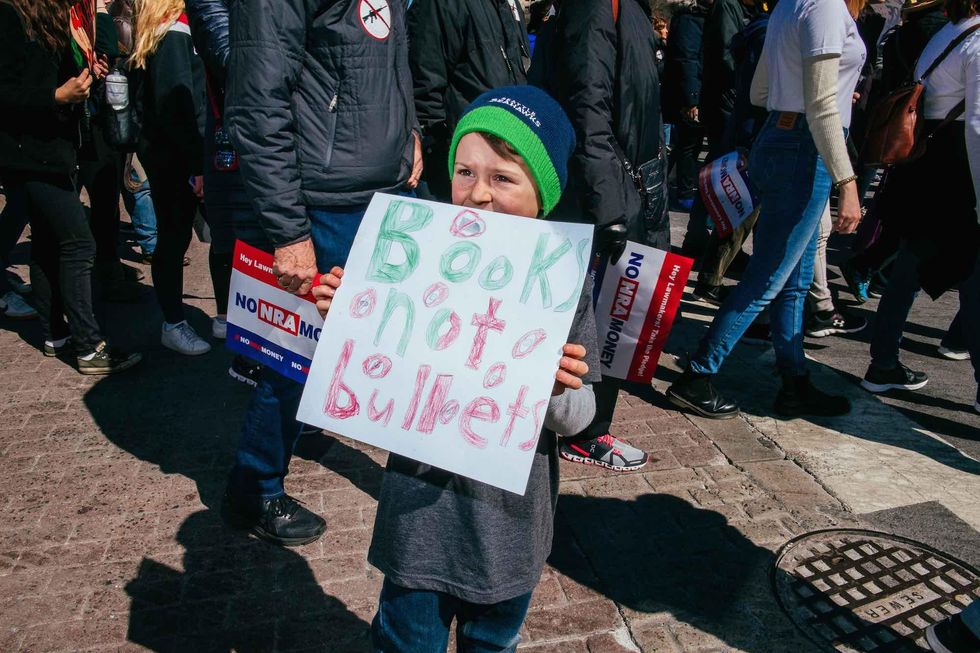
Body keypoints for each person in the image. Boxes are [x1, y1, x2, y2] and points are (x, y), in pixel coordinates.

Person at [313, 85, 598, 653]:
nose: (478, 195)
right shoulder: (418, 259)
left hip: (509, 532)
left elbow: (581, 415)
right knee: (404, 642)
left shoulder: (563, 279)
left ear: (545, 193)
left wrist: (548, 385)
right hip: (418, 523)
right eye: (464, 172)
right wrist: (348, 316)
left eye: (504, 178)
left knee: (492, 645)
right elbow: (372, 375)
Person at [220, 0, 421, 546]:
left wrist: (410, 135)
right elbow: (258, 106)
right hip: (322, 201)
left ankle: (307, 428)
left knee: (389, 337)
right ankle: (255, 485)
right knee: (296, 355)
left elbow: (384, 64)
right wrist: (289, 233)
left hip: (382, 190)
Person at [667, 0, 867, 419]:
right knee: (772, 275)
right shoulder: (826, 8)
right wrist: (847, 182)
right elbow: (823, 105)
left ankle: (794, 381)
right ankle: (698, 375)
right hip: (805, 147)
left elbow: (759, 90)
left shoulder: (788, 6)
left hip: (779, 135)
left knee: (790, 276)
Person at [530, 0, 666, 471]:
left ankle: (590, 425)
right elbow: (589, 107)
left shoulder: (622, 6)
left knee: (614, 312)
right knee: (601, 315)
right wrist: (611, 208)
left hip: (625, 181)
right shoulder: (593, 8)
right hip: (606, 189)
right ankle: (585, 432)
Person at [0, 0, 141, 374]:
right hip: (27, 153)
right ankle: (89, 345)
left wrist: (86, 74)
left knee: (48, 242)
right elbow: (9, 92)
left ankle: (55, 334)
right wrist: (56, 96)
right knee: (79, 244)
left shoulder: (50, 19)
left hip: (53, 149)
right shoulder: (9, 16)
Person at [859, 0, 979, 411]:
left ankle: (882, 363)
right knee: (973, 277)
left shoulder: (948, 34)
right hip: (957, 168)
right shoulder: (976, 41)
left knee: (908, 268)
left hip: (928, 164)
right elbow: (978, 127)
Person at [185, 0, 264, 386]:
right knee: (246, 255)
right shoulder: (216, 14)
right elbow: (236, 67)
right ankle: (248, 353)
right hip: (233, 153)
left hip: (256, 150)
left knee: (260, 256)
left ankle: (254, 346)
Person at [131, 0, 211, 356]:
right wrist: (198, 165)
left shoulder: (161, 29)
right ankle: (174, 323)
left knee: (175, 239)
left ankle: (180, 320)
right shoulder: (174, 30)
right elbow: (180, 105)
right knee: (174, 240)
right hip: (178, 158)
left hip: (168, 154)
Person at [408, 0, 530, 201]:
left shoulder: (507, 5)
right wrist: (441, 147)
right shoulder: (442, 5)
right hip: (456, 160)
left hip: (504, 154)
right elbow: (423, 83)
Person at [663, 0, 711, 218]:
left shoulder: (699, 18)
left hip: (698, 92)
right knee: (688, 143)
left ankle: (678, 188)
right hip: (692, 96)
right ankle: (684, 192)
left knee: (688, 143)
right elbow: (687, 60)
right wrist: (692, 99)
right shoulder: (689, 20)